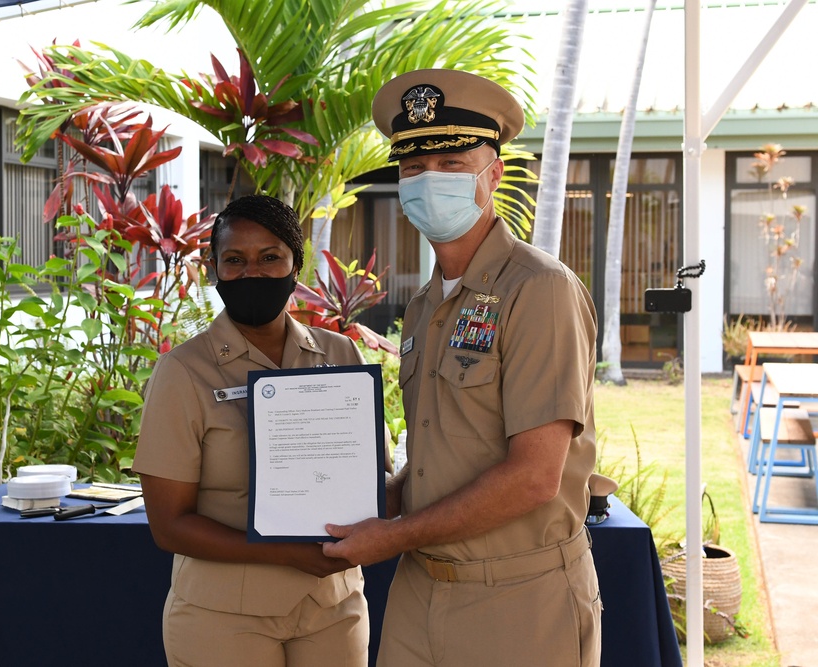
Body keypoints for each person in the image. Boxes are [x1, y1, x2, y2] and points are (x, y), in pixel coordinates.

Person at [322, 69, 601, 666]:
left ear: (492, 174)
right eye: (414, 168)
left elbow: (534, 477)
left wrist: (390, 536)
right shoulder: (426, 304)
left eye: (451, 163)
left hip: (517, 598)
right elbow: (443, 451)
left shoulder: (539, 290)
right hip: (420, 590)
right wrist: (383, 498)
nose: (430, 181)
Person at [133, 194, 369, 667]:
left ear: (295, 266)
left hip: (334, 604)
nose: (252, 273)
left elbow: (367, 478)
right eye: (235, 260)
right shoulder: (182, 372)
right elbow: (168, 525)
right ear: (215, 269)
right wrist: (285, 553)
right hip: (223, 614)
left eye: (270, 258)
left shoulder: (342, 355)